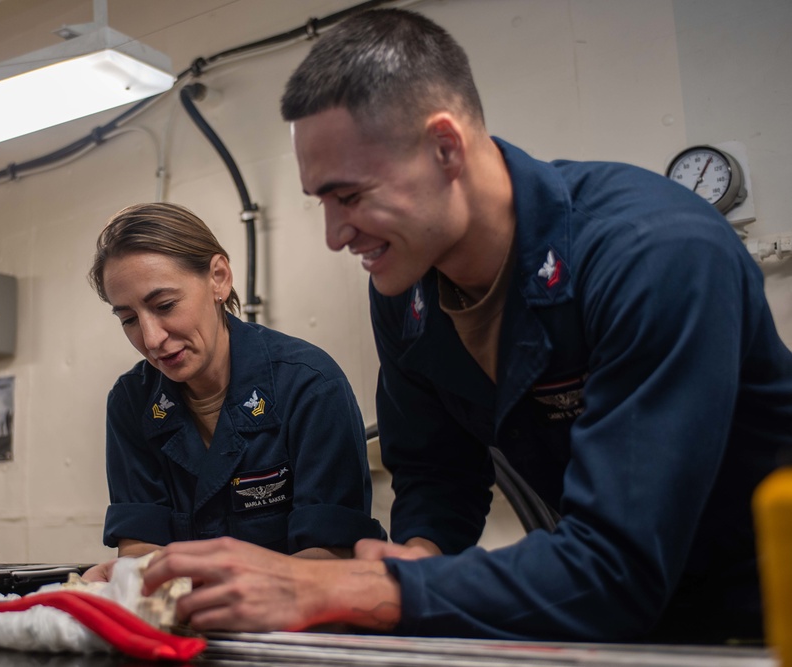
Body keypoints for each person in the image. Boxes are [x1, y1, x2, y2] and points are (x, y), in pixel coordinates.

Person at [139, 8, 792, 643]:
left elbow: (614, 564)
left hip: (764, 616)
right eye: (321, 202)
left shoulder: (652, 254)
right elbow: (436, 471)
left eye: (350, 196)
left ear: (444, 147)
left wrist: (337, 588)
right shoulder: (404, 286)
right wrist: (415, 553)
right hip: (631, 626)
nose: (335, 235)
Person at [83, 202, 384, 581]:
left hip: (298, 630)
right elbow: (141, 544)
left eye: (165, 305)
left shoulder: (310, 386)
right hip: (185, 630)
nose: (151, 338)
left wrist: (218, 589)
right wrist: (127, 577)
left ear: (219, 278)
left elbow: (330, 554)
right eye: (128, 319)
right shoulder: (132, 403)